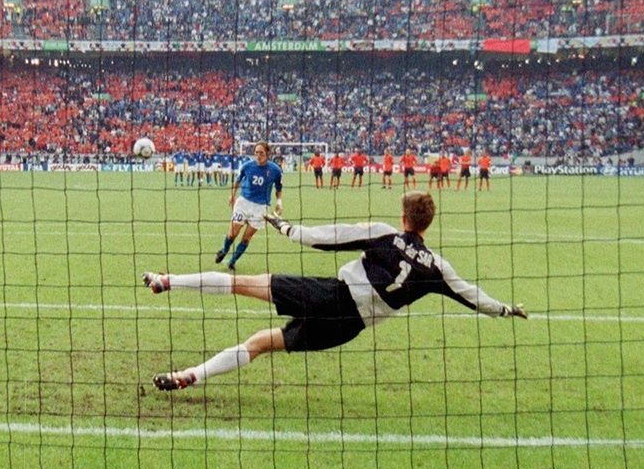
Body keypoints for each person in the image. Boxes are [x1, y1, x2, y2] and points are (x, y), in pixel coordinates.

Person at [142, 191, 527, 390]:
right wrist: (506, 310)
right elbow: (471, 295)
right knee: (260, 343)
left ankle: (167, 281)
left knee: (245, 284)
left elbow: (330, 238)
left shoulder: (384, 233)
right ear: (428, 223)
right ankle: (189, 376)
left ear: (404, 217)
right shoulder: (437, 268)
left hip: (333, 295)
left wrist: (289, 229)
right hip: (347, 327)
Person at [213, 141, 284, 271]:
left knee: (246, 238)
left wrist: (279, 201)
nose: (258, 155)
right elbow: (238, 180)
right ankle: (224, 250)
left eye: (261, 153)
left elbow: (278, 188)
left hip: (260, 208)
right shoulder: (247, 166)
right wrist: (232, 195)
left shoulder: (275, 170)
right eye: (256, 153)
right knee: (233, 233)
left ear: (268, 153)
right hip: (243, 203)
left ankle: (232, 261)